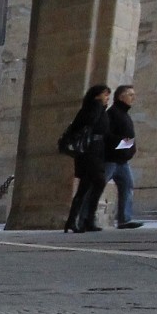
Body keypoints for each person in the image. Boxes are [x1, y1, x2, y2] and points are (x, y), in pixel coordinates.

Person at [58, 84, 112, 233]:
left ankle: (76, 220)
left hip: (95, 151)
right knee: (97, 182)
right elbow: (90, 124)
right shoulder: (94, 107)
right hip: (91, 152)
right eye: (105, 94)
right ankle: (86, 219)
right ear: (96, 95)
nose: (107, 97)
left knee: (85, 187)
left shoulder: (99, 109)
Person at [105, 84, 142, 228]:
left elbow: (128, 137)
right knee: (97, 186)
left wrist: (129, 148)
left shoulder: (124, 113)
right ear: (121, 97)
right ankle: (84, 216)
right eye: (130, 95)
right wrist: (125, 146)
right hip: (111, 159)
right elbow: (109, 136)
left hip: (122, 161)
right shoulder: (113, 113)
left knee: (127, 185)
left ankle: (124, 219)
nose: (134, 97)